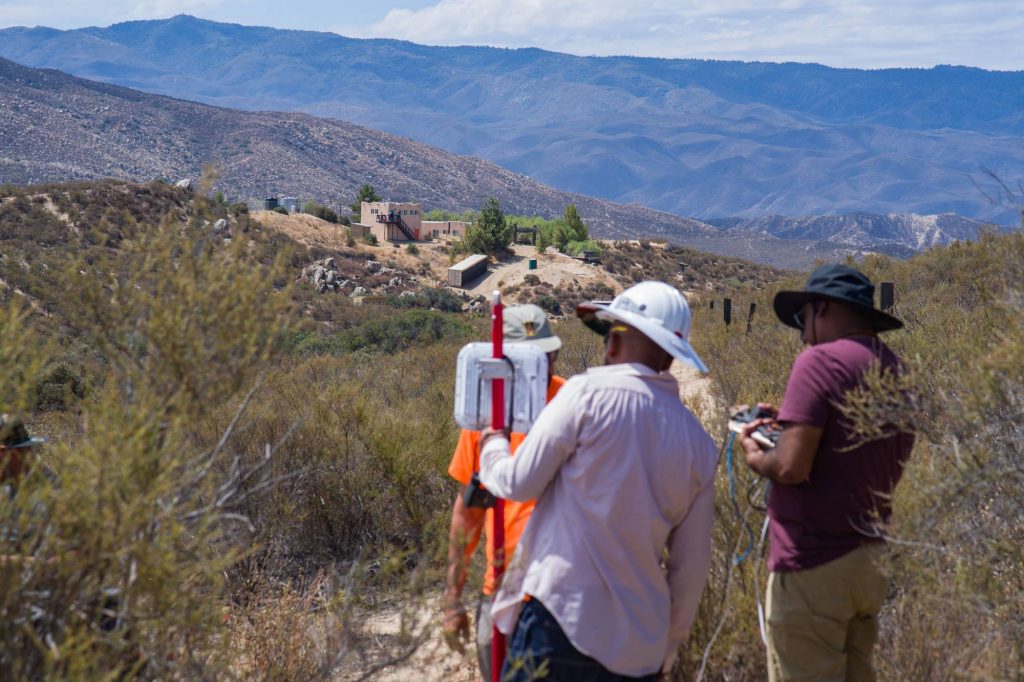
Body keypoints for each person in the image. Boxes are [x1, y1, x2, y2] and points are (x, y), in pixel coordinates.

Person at [478, 281, 717, 681]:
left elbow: (517, 483)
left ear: (616, 338)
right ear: (672, 355)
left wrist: (492, 442)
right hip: (639, 645)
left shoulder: (585, 394)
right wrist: (668, 649)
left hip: (558, 620)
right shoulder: (699, 445)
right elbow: (689, 570)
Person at [739, 264, 915, 682]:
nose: (801, 334)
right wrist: (790, 424)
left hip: (812, 563)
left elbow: (789, 466)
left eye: (803, 319)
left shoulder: (818, 363)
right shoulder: (897, 370)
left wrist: (752, 451)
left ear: (821, 308)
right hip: (870, 561)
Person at [442, 304, 566, 680]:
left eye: (547, 356)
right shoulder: (484, 417)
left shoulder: (572, 405)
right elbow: (469, 511)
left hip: (562, 593)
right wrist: (452, 599)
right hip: (501, 588)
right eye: (530, 358)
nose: (541, 366)